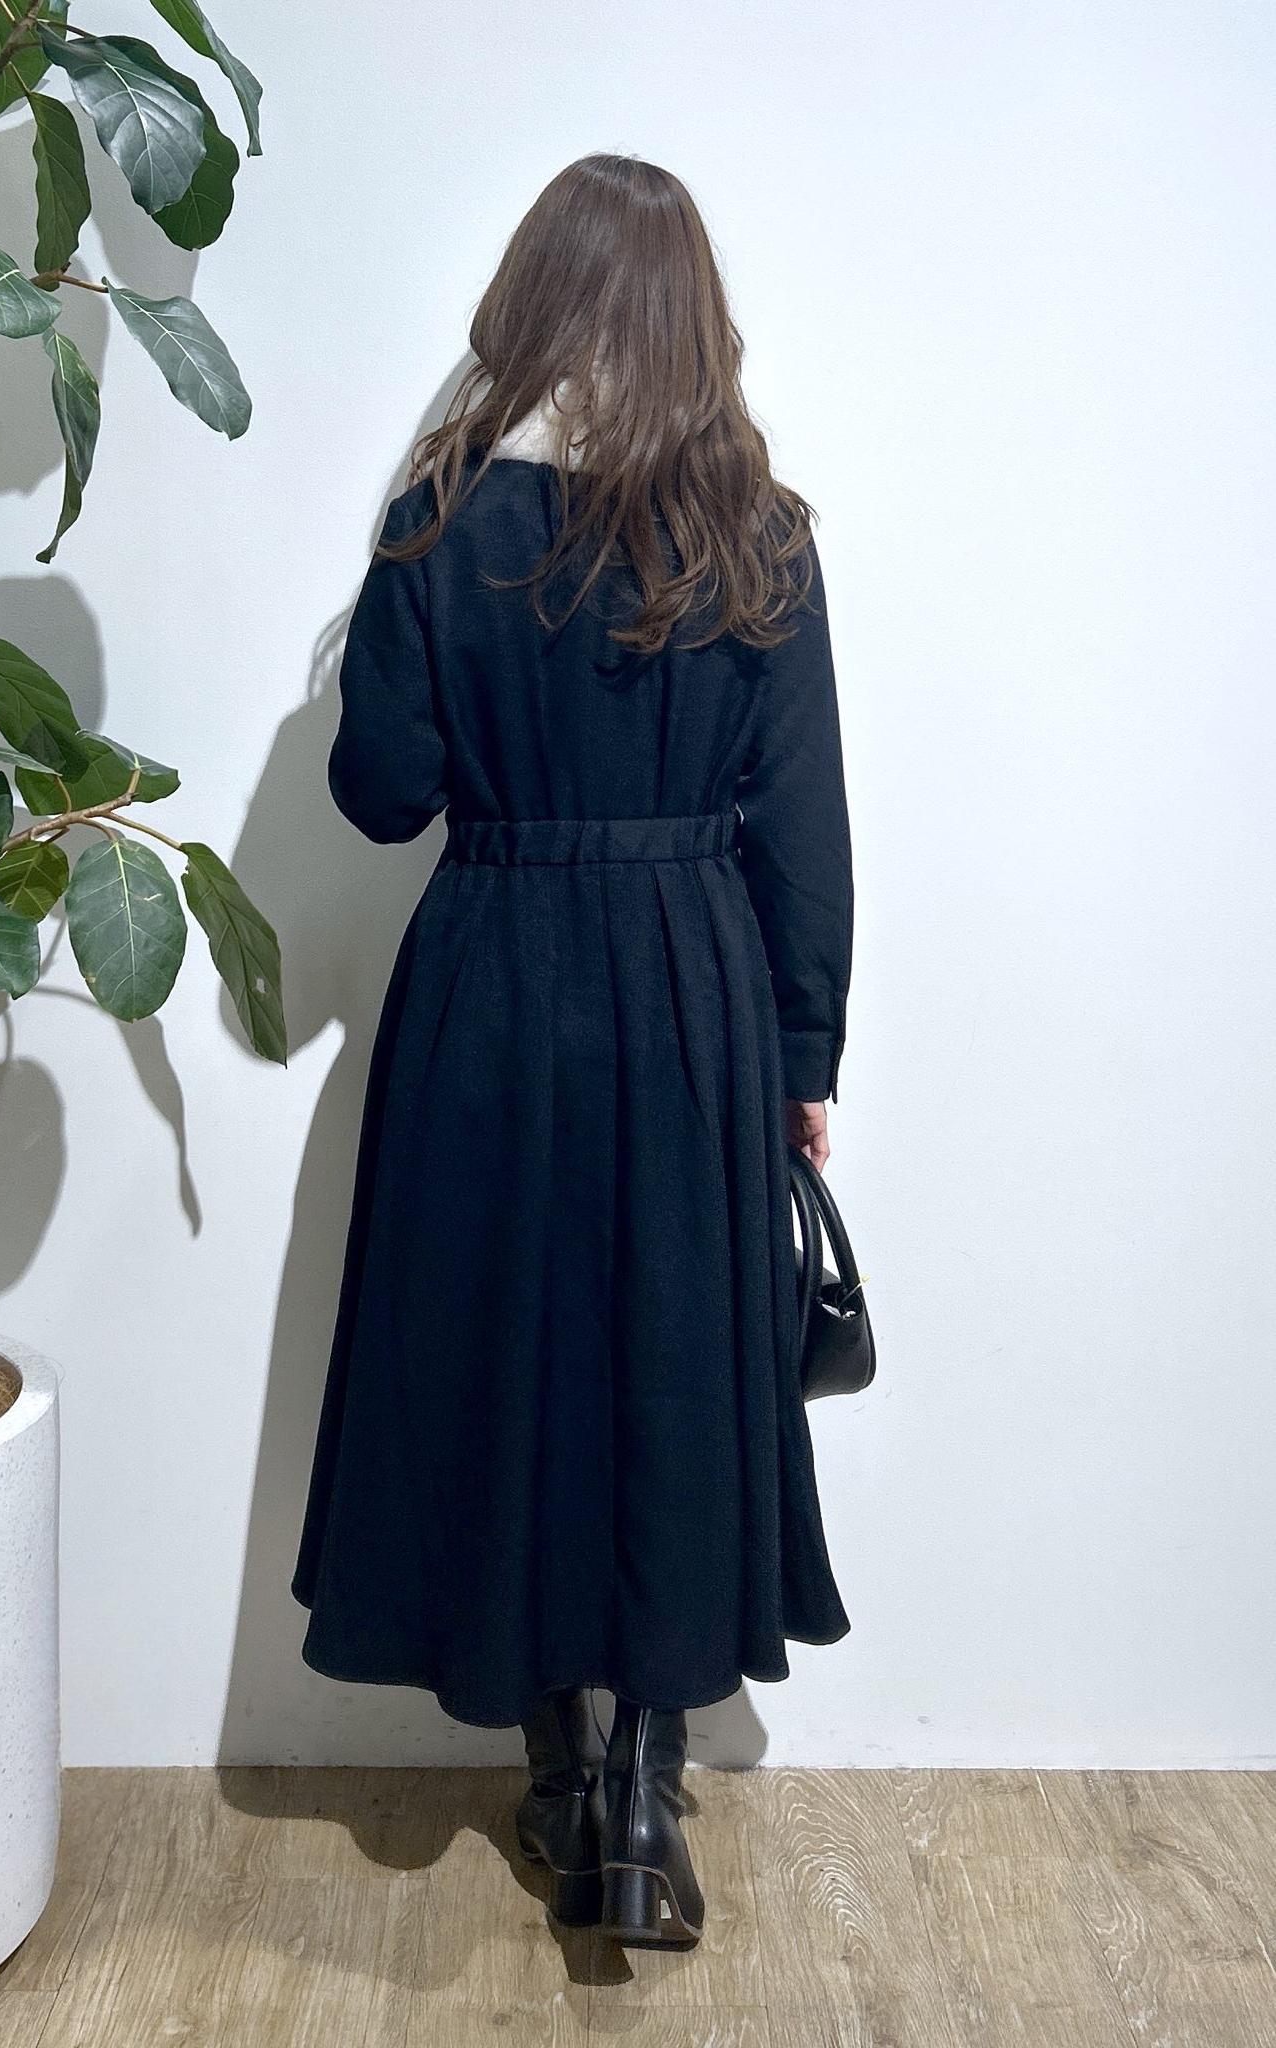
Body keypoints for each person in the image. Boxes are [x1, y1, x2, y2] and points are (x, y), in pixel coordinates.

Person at [292, 153, 854, 1950]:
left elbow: (380, 794)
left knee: (503, 1360)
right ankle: (642, 1802)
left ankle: (554, 1772)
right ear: (695, 321)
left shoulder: (445, 515)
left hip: (493, 980)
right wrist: (802, 1052)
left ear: (531, 304)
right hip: (692, 988)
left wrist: (393, 609)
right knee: (677, 1366)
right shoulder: (758, 531)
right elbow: (802, 828)